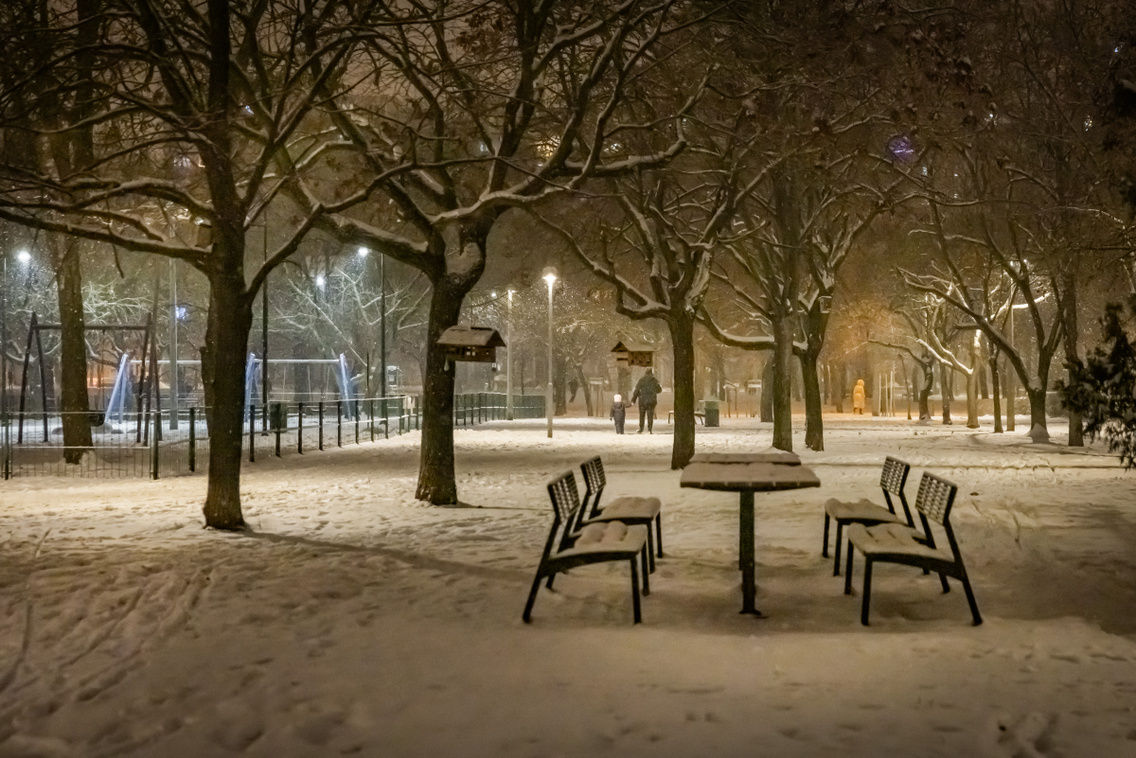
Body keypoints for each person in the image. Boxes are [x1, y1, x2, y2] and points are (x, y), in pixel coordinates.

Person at [630, 368, 662, 433]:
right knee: (650, 415)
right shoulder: (654, 380)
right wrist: (654, 391)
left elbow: (636, 390)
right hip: (651, 400)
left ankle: (641, 428)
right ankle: (649, 429)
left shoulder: (641, 380)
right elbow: (659, 390)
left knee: (642, 415)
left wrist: (633, 400)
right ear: (651, 374)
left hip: (642, 400)